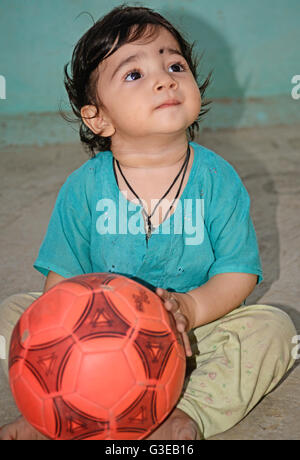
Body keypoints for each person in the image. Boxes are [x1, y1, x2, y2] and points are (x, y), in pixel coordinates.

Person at [0, 4, 297, 441]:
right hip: (98, 335)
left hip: (192, 330)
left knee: (274, 329)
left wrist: (191, 310)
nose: (164, 78)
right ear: (97, 118)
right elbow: (61, 281)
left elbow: (238, 273)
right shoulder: (83, 187)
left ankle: (188, 412)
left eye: (174, 64)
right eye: (133, 74)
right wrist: (60, 349)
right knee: (15, 314)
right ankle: (57, 410)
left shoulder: (218, 180)